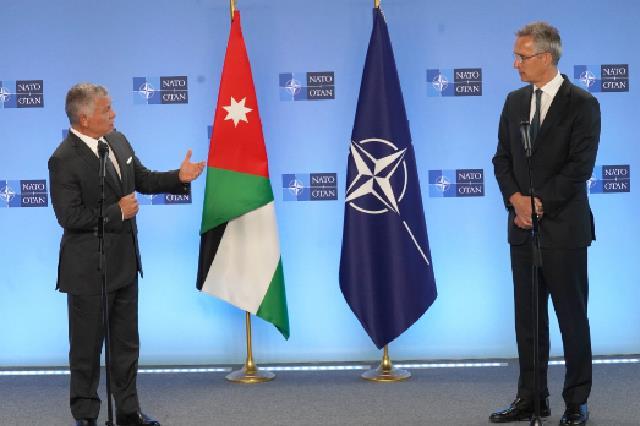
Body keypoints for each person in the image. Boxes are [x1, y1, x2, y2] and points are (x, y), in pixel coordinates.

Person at [49, 83, 205, 426]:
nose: (114, 113)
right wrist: (116, 212)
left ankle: (128, 412)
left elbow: (142, 179)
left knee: (126, 346)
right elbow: (69, 217)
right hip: (88, 270)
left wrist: (178, 177)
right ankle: (86, 417)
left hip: (124, 263)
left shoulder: (117, 140)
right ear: (84, 118)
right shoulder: (63, 159)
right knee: (87, 350)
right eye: (106, 109)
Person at [491, 22, 600, 426]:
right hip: (522, 227)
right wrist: (516, 200)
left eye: (522, 56)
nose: (515, 64)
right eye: (516, 56)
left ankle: (577, 401)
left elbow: (579, 168)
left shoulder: (582, 103)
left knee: (572, 319)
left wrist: (538, 203)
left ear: (547, 57)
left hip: (564, 230)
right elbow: (502, 159)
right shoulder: (514, 102)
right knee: (528, 321)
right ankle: (532, 398)